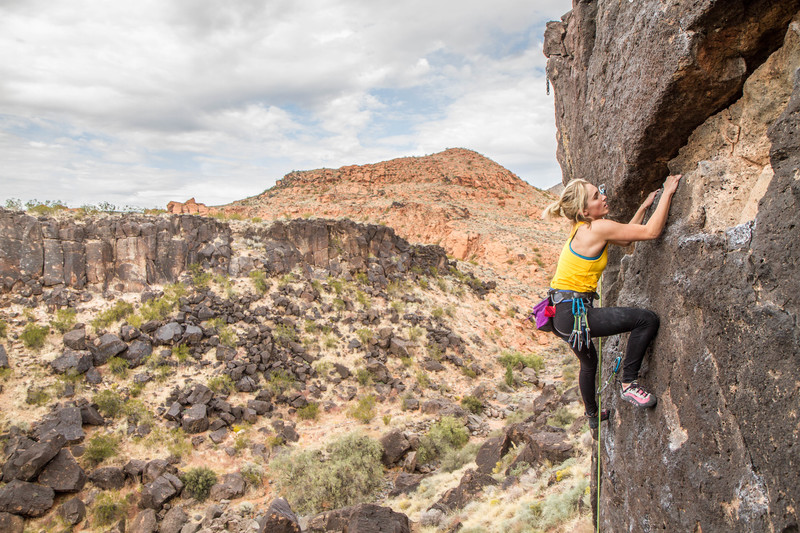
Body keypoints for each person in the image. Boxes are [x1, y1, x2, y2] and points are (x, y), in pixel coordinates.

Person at [541, 175, 681, 428]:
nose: (604, 197)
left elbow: (626, 238)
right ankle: (629, 384)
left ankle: (593, 419)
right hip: (574, 314)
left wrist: (643, 207)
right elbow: (652, 232)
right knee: (645, 320)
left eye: (600, 191)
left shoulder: (582, 227)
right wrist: (669, 192)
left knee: (588, 363)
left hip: (562, 314)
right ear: (585, 210)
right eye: (596, 196)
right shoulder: (597, 227)